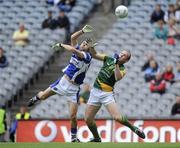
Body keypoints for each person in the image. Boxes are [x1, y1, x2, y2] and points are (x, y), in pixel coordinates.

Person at [27, 25, 94, 142]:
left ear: (89, 49)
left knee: (73, 116)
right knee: (42, 97)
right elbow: (73, 37)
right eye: (83, 43)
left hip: (73, 89)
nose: (83, 44)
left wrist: (61, 45)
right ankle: (36, 97)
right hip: (63, 82)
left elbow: (73, 50)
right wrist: (82, 31)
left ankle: (73, 138)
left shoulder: (87, 56)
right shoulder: (78, 49)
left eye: (86, 45)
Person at [84, 50, 145, 142]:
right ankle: (97, 138)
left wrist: (116, 64)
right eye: (121, 53)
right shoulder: (108, 59)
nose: (121, 55)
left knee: (117, 117)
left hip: (106, 94)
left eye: (124, 55)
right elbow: (95, 55)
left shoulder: (122, 69)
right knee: (88, 119)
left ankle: (133, 128)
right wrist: (91, 47)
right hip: (95, 92)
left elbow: (117, 77)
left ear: (126, 60)